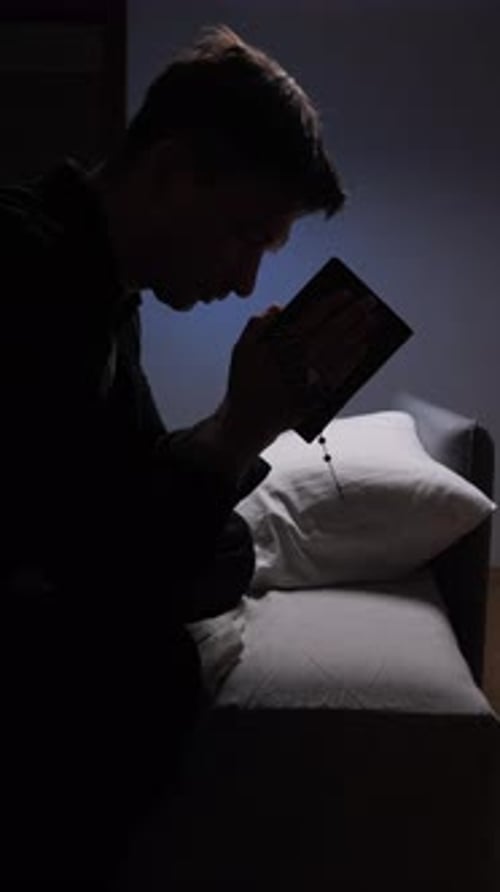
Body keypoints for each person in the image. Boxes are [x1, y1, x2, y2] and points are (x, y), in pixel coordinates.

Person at [1, 24, 348, 889]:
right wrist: (236, 431)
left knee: (225, 552)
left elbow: (128, 481)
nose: (245, 281)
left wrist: (231, 434)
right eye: (243, 235)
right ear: (170, 173)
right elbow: (100, 560)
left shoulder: (107, 293)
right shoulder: (27, 273)